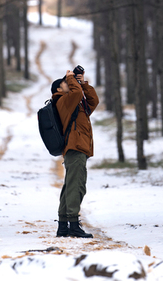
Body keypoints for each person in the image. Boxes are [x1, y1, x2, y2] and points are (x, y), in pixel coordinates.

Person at [50, 69, 99, 238]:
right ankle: (73, 224)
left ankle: (63, 226)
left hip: (78, 147)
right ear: (58, 90)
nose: (70, 85)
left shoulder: (74, 104)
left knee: (71, 185)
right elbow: (76, 92)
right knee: (76, 186)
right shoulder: (63, 101)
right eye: (66, 84)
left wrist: (83, 83)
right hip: (75, 147)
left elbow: (93, 101)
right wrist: (71, 77)